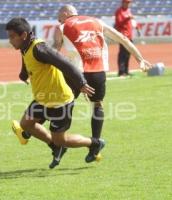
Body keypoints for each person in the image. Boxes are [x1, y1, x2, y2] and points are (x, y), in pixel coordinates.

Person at [52, 4, 151, 159]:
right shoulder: (97, 22)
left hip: (76, 72)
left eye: (59, 17)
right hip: (97, 71)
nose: (58, 20)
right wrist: (140, 59)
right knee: (97, 105)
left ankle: (59, 142)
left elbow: (55, 50)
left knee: (64, 102)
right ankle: (95, 145)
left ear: (65, 13)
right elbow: (123, 39)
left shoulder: (62, 27)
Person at [6, 17, 105, 169]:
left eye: (12, 37)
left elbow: (65, 63)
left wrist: (81, 83)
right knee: (26, 124)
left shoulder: (40, 49)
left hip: (60, 101)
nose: (10, 40)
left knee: (61, 139)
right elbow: (26, 60)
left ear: (23, 35)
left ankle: (95, 143)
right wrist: (23, 74)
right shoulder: (24, 47)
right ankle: (55, 146)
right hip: (42, 98)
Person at [115, 0, 140, 76]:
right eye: (127, 2)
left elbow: (132, 21)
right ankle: (121, 72)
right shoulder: (119, 11)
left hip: (129, 35)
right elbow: (119, 23)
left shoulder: (128, 11)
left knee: (128, 54)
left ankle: (126, 70)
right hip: (123, 36)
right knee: (122, 54)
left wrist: (137, 27)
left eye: (129, 3)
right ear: (123, 3)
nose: (128, 4)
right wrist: (127, 18)